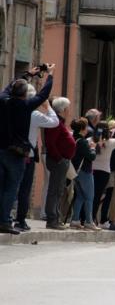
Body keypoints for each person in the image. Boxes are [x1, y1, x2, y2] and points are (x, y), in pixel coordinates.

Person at [0, 64, 55, 234]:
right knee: (11, 188)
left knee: (2, 186)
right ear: (25, 94)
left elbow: (8, 87)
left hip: (1, 149)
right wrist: (50, 76)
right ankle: (4, 221)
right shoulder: (26, 106)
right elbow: (43, 94)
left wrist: (27, 75)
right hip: (16, 153)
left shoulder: (3, 101)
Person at [14, 86, 59, 231]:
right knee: (24, 189)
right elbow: (54, 122)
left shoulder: (11, 108)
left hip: (11, 152)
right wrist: (48, 107)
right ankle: (20, 219)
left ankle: (6, 217)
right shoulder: (34, 114)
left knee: (9, 187)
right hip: (27, 155)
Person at [44, 97, 76, 230]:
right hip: (58, 161)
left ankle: (55, 218)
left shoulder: (59, 122)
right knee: (55, 190)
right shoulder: (56, 123)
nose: (69, 111)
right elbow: (50, 143)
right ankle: (52, 219)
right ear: (63, 109)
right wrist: (59, 159)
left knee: (58, 190)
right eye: (68, 108)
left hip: (61, 160)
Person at [92, 119, 115, 230]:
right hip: (104, 173)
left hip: (91, 171)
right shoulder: (110, 143)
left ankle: (83, 218)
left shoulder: (90, 141)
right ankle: (93, 218)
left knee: (89, 196)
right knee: (97, 197)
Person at [69, 118, 100, 231]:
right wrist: (92, 148)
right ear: (83, 129)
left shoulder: (74, 138)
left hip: (75, 171)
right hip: (84, 171)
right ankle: (89, 222)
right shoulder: (82, 141)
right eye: (86, 127)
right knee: (89, 197)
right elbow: (91, 157)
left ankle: (75, 220)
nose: (87, 129)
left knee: (81, 196)